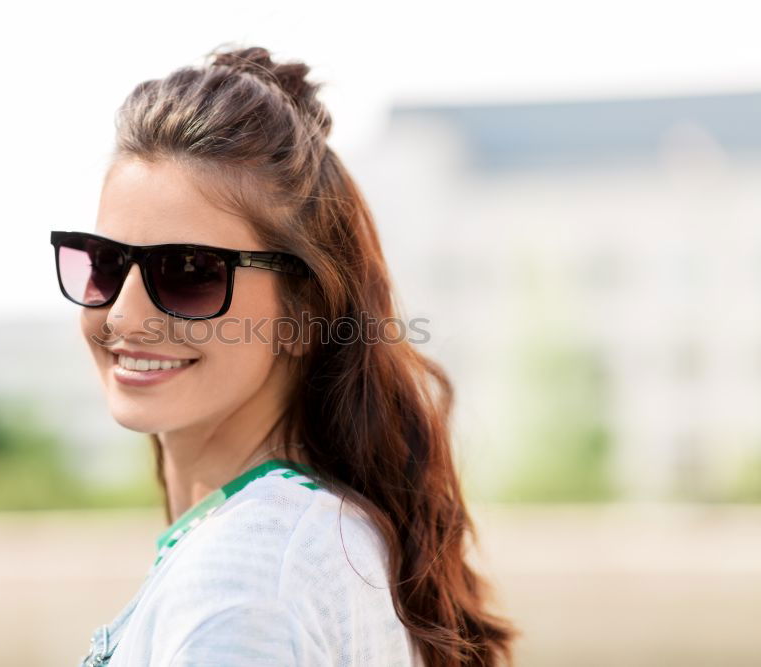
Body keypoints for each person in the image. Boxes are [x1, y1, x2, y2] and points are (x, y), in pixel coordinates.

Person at [50, 44, 519, 666]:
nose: (122, 316)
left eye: (189, 271)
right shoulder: (310, 537)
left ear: (304, 315)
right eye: (106, 263)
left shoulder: (242, 589)